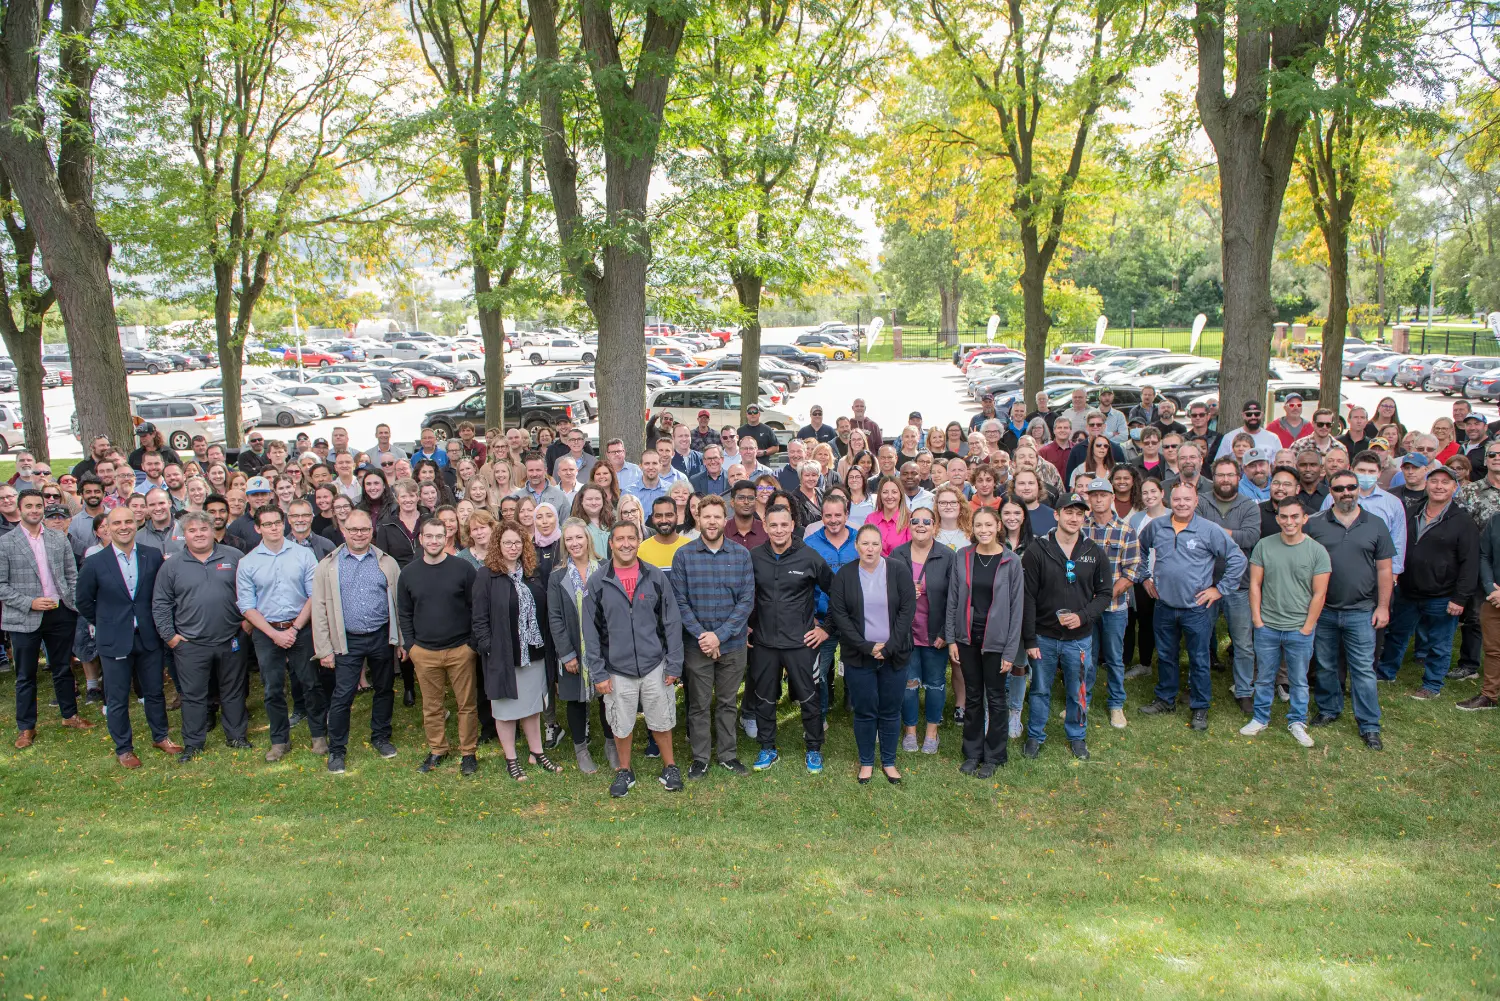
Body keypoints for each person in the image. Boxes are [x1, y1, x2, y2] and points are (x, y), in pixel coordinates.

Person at [582, 520, 685, 797]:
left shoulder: (655, 576)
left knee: (662, 720)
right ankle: (624, 770)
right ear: (611, 544)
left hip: (655, 665)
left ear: (638, 541)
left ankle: (670, 767)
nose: (626, 543)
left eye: (631, 538)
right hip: (616, 668)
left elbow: (672, 621)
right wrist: (599, 673)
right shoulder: (598, 582)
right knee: (621, 722)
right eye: (620, 539)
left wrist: (674, 663)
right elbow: (590, 632)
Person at [1138, 481, 1247, 730]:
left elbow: (1237, 558)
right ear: (1169, 501)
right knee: (1166, 655)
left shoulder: (1209, 530)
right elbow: (1139, 550)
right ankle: (1165, 699)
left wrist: (1219, 589)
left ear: (1196, 502)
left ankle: (1200, 707)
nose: (1182, 504)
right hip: (1164, 605)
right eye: (1177, 500)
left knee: (1199, 660)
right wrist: (1144, 577)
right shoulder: (1157, 527)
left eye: (1187, 499)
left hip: (1196, 608)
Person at [77, 505, 181, 766]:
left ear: (136, 524)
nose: (123, 527)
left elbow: (161, 594)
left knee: (155, 691)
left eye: (128, 522)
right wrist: (107, 622)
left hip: (148, 636)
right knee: (117, 696)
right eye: (116, 523)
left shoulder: (152, 555)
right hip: (115, 639)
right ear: (107, 529)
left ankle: (161, 736)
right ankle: (124, 748)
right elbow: (84, 601)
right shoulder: (95, 562)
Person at [1019, 493, 1112, 760]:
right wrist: (1030, 640)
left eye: (1079, 514)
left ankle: (1077, 736)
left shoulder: (1093, 552)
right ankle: (1035, 735)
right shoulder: (1038, 550)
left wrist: (1083, 616)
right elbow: (1028, 597)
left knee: (1078, 690)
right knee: (1039, 689)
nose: (1074, 518)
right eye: (1068, 512)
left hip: (1079, 638)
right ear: (1056, 515)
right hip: (1043, 637)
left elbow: (1105, 593)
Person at [154, 510, 253, 760]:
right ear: (184, 535)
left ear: (213, 531)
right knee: (193, 695)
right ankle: (194, 743)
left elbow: (252, 590)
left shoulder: (235, 557)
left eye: (203, 529)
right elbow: (161, 603)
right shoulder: (172, 565)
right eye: (192, 530)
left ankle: (237, 736)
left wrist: (247, 624)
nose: (199, 534)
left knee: (233, 691)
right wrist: (171, 637)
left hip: (231, 638)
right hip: (190, 644)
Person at [308, 509, 402, 774]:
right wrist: (324, 649)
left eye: (364, 529)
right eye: (353, 530)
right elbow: (320, 609)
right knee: (343, 694)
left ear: (371, 531)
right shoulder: (328, 566)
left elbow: (398, 604)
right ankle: (337, 749)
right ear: (344, 531)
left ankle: (381, 737)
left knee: (384, 688)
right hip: (347, 640)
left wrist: (401, 640)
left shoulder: (387, 562)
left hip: (381, 636)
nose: (359, 534)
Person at [1304, 471, 1393, 747]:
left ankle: (1369, 724)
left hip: (1361, 610)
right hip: (1325, 610)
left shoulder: (1375, 524)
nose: (1346, 492)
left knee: (1363, 669)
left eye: (1351, 487)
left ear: (1358, 490)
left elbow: (1385, 569)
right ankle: (1329, 709)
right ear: (1330, 491)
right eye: (1340, 488)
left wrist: (1383, 606)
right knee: (1326, 664)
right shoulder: (1315, 524)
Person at [671, 494, 755, 778]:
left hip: (731, 644)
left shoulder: (741, 555)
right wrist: (704, 637)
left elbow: (746, 601)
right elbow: (679, 601)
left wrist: (719, 636)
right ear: (698, 518)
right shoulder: (683, 555)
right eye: (706, 516)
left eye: (717, 517)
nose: (712, 521)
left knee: (728, 702)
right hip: (697, 646)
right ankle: (700, 757)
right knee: (698, 703)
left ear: (725, 519)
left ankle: (728, 755)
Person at [1377, 464, 1478, 699]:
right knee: (1397, 635)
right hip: (1408, 590)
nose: (1439, 486)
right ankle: (1386, 672)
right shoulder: (1412, 512)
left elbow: (1470, 563)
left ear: (1455, 487)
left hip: (1442, 595)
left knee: (1439, 643)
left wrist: (1460, 597)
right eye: (1434, 481)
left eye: (1445, 483)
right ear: (1427, 485)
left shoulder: (1463, 521)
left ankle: (1432, 685)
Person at [3, 487, 92, 751]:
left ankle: (70, 715)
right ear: (20, 510)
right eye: (28, 506)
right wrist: (29, 602)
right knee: (25, 675)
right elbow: (1, 585)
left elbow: (71, 575)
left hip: (59, 613)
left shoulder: (57, 538)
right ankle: (26, 727)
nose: (34, 510)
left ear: (44, 508)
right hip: (24, 617)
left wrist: (73, 604)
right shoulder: (5, 543)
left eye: (38, 506)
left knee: (63, 667)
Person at [746, 506, 834, 773]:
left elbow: (838, 592)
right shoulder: (754, 557)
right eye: (773, 525)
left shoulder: (809, 557)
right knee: (764, 697)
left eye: (784, 525)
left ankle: (814, 749)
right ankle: (767, 748)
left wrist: (826, 628)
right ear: (765, 525)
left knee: (809, 697)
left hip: (801, 643)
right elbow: (744, 594)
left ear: (793, 524)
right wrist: (747, 627)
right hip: (764, 642)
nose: (779, 530)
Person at [828, 524, 916, 784]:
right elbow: (840, 615)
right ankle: (866, 762)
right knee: (865, 711)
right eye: (864, 543)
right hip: (859, 655)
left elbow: (906, 611)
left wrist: (889, 647)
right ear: (856, 546)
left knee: (890, 710)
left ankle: (888, 761)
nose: (870, 549)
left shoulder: (898, 571)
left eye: (875, 544)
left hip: (895, 653)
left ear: (882, 546)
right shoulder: (845, 574)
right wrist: (867, 647)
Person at [1240, 496, 1331, 747]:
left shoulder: (1317, 551)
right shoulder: (1264, 546)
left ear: (1304, 518)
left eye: (1294, 516)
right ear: (1277, 518)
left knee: (1299, 679)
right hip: (1268, 625)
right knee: (1264, 677)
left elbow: (1319, 593)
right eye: (1283, 516)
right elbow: (1255, 584)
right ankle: (1260, 717)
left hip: (1299, 628)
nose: (1289, 521)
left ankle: (1297, 721)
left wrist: (1307, 627)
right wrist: (1257, 620)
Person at [238, 505, 325, 762]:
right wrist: (274, 634)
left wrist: (295, 628)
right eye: (267, 524)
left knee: (311, 684)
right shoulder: (248, 562)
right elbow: (246, 606)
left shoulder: (304, 555)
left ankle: (319, 735)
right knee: (272, 688)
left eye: (277, 522)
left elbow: (314, 594)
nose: (274, 528)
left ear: (283, 523)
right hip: (267, 632)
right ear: (258, 528)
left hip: (301, 627)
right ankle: (279, 740)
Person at [473, 521, 559, 781]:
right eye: (507, 543)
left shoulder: (532, 572)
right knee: (505, 710)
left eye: (518, 543)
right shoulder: (487, 575)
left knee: (533, 708)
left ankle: (537, 752)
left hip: (533, 652)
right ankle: (511, 758)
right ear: (497, 545)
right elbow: (479, 618)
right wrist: (489, 647)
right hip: (503, 654)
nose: (513, 547)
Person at [944, 507, 1023, 777]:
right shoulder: (963, 556)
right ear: (972, 528)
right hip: (967, 638)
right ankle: (973, 751)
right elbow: (953, 600)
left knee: (997, 698)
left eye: (989, 525)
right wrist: (952, 638)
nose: (984, 530)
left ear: (998, 525)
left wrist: (1010, 651)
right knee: (973, 696)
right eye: (979, 525)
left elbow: (1017, 609)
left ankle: (994, 755)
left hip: (997, 642)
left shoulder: (1011, 562)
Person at [398, 517, 480, 774]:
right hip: (424, 652)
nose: (434, 541)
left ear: (447, 538)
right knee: (431, 706)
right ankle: (438, 749)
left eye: (439, 536)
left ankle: (469, 753)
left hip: (460, 649)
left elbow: (476, 607)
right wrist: (411, 646)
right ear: (420, 539)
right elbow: (404, 613)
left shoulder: (464, 569)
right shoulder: (408, 573)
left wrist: (471, 644)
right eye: (428, 536)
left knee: (466, 704)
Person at [1196, 456, 1262, 714]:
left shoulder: (1249, 505)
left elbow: (1251, 537)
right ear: (1214, 477)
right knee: (1200, 639)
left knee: (1243, 642)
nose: (1225, 480)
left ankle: (1244, 689)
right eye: (1221, 475)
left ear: (1239, 477)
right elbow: (1198, 534)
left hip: (1239, 584)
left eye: (1230, 475)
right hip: (1206, 583)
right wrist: (1229, 534)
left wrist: (1216, 532)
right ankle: (1198, 685)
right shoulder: (1201, 501)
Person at [890, 504, 955, 753]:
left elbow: (954, 598)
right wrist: (905, 595)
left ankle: (932, 732)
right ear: (909, 525)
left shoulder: (947, 556)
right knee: (909, 684)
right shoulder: (897, 555)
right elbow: (887, 595)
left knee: (936, 684)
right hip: (906, 634)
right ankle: (910, 732)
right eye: (916, 520)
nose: (921, 525)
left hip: (934, 634)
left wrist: (945, 634)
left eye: (927, 522)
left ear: (935, 526)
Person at [1082, 477, 1143, 730]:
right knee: (1086, 657)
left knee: (1115, 658)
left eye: (1103, 495)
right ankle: (1082, 701)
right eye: (1094, 495)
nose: (1098, 499)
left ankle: (1116, 704)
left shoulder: (1126, 531)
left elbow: (1131, 573)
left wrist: (1105, 597)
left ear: (1111, 498)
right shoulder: (1080, 529)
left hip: (1114, 608)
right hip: (1084, 607)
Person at [637, 496, 692, 581]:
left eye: (669, 515)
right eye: (658, 516)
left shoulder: (690, 547)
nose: (664, 520)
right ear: (652, 519)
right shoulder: (641, 550)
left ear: (677, 517)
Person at [1215, 399, 1281, 458]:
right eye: (1249, 414)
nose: (1253, 417)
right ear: (1243, 415)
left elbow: (1279, 462)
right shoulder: (1229, 437)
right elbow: (1220, 462)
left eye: (1257, 414)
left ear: (1262, 415)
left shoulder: (1273, 438)